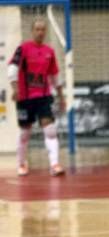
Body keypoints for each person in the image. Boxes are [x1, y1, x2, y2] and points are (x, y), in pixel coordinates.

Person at [7, 18, 65, 177]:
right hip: (25, 98)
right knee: (25, 133)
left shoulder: (49, 52)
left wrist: (61, 97)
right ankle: (21, 163)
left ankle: (54, 164)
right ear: (32, 31)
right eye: (37, 29)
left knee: (50, 130)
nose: (40, 32)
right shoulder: (23, 49)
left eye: (43, 29)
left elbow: (55, 75)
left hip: (43, 97)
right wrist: (15, 88)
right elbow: (12, 68)